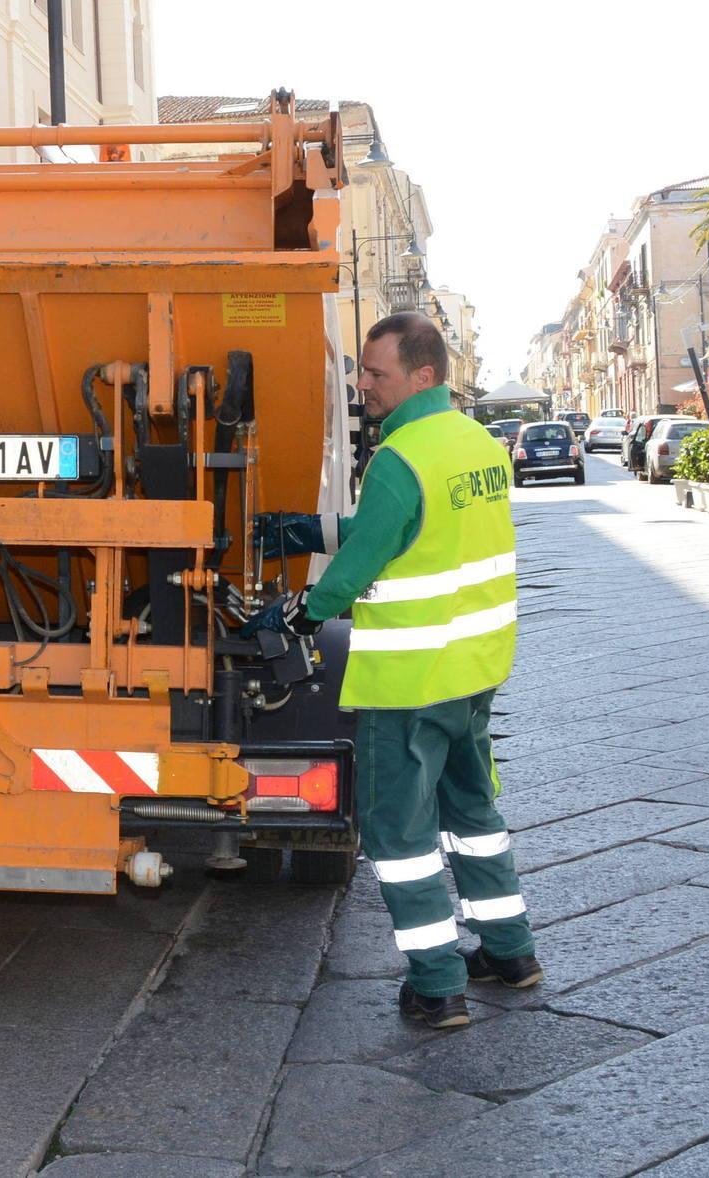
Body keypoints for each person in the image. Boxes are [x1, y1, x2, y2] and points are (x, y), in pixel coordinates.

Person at [243, 312, 541, 1030]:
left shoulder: (400, 457)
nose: (362, 384)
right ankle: (510, 951)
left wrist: (306, 613)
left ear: (423, 375)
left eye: (375, 372)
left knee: (398, 836)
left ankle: (437, 985)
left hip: (410, 680)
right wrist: (312, 529)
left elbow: (370, 552)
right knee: (472, 812)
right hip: (474, 669)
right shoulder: (477, 445)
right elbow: (418, 531)